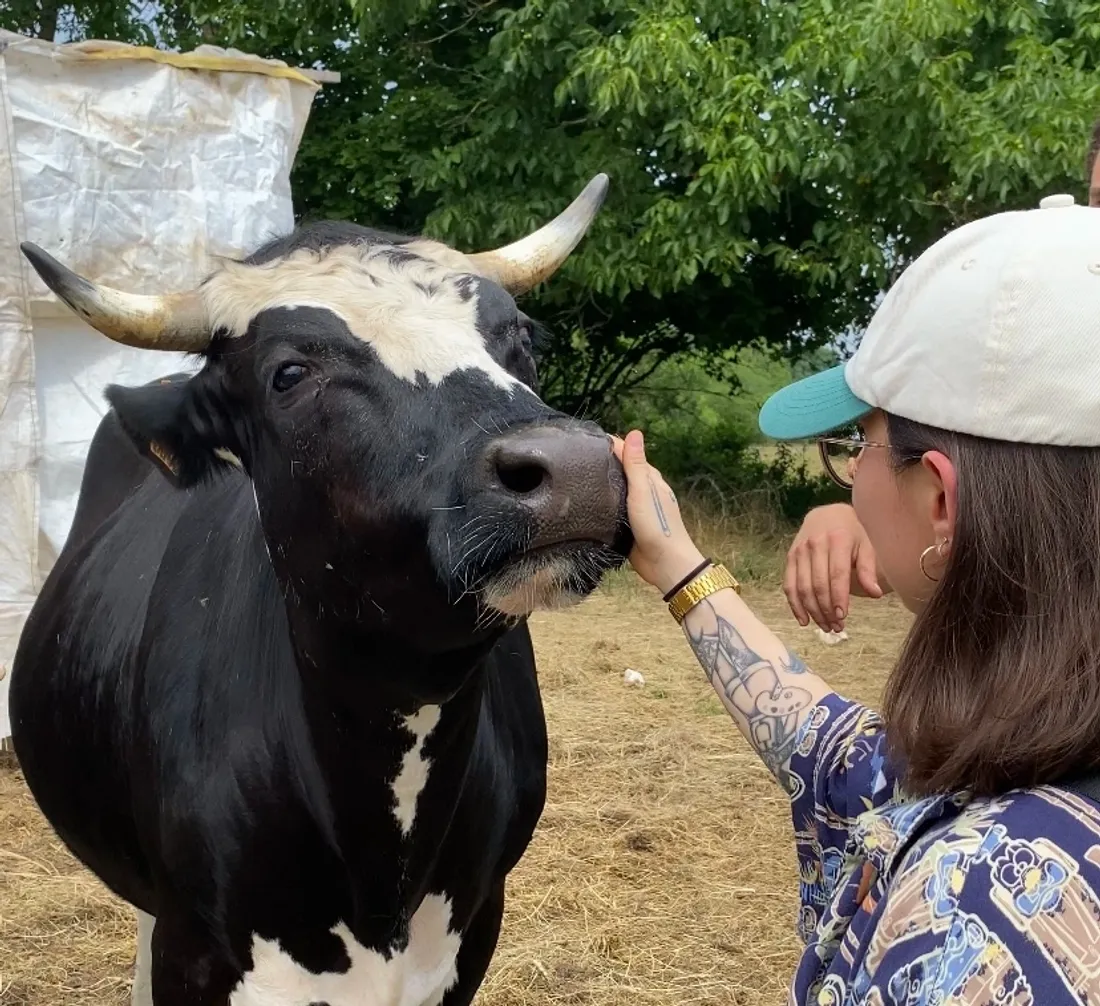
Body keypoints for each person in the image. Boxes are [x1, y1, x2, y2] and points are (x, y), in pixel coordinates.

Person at [611, 192, 1100, 1004]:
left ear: (940, 499)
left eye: (858, 444)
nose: (851, 477)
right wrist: (678, 565)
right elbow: (849, 764)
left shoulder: (971, 924)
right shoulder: (1041, 765)